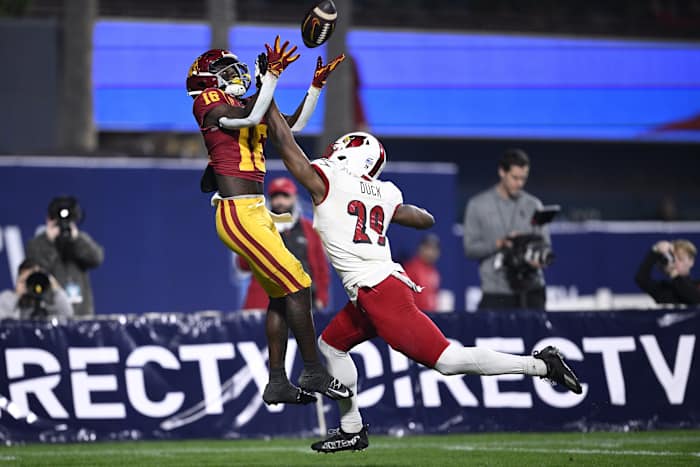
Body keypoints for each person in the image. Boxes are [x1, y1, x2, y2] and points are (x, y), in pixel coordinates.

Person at [265, 102, 582, 453]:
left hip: (379, 292)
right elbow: (424, 219)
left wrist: (270, 99)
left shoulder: (329, 182)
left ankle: (541, 365)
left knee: (449, 360)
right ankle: (352, 427)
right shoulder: (385, 192)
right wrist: (387, 213)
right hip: (375, 289)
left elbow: (284, 142)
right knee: (331, 345)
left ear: (351, 153)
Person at [187, 36, 350, 405]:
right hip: (238, 211)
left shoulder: (243, 105)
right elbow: (248, 117)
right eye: (226, 72)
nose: (236, 76)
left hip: (256, 211)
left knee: (281, 292)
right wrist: (270, 79)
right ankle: (312, 370)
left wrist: (314, 87)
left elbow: (288, 127)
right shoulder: (207, 103)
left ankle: (277, 381)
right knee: (299, 282)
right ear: (206, 80)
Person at [463, 149, 550, 310]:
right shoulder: (477, 205)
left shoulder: (534, 205)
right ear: (502, 172)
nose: (520, 184)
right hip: (496, 293)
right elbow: (470, 249)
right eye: (515, 178)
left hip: (532, 290)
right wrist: (499, 244)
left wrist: (537, 259)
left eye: (523, 178)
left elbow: (545, 245)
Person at [237, 177, 330, 312]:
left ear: (294, 197)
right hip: (266, 302)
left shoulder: (309, 229)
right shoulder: (259, 228)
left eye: (285, 196)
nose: (280, 201)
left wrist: (321, 298)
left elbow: (321, 268)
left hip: (303, 301)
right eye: (275, 196)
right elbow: (243, 265)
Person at [25, 196, 104, 318]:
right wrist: (50, 243)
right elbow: (38, 271)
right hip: (51, 314)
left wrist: (76, 239)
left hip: (81, 314)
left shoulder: (78, 239)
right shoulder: (37, 244)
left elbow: (97, 258)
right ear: (48, 219)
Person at [0, 259, 73, 320]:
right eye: (24, 281)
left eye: (33, 280)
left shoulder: (49, 301)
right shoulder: (7, 298)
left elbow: (68, 316)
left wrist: (54, 287)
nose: (28, 285)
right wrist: (18, 296)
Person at [635, 239, 700, 305]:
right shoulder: (663, 289)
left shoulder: (697, 286)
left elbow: (695, 299)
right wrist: (655, 250)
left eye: (680, 259)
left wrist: (674, 274)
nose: (675, 263)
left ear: (691, 262)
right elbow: (641, 278)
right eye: (672, 258)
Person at [402, 234, 441, 312]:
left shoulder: (434, 272)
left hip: (431, 315)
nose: (430, 253)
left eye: (434, 249)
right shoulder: (411, 268)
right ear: (420, 249)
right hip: (415, 315)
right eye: (428, 248)